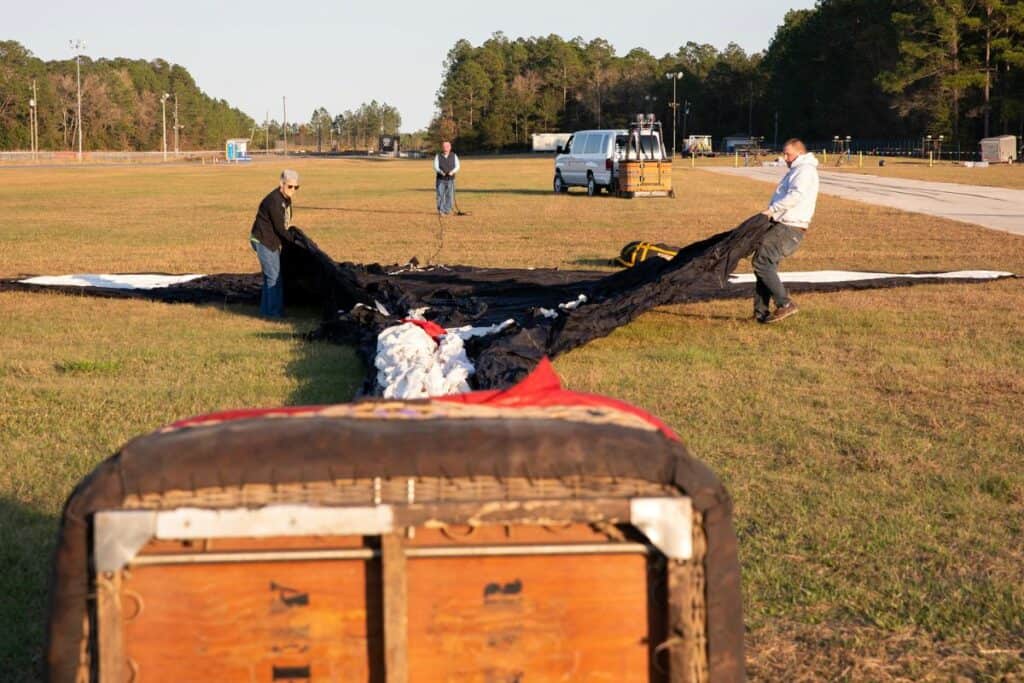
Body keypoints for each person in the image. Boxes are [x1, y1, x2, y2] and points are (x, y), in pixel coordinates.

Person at [754, 138, 820, 324]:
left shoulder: (804, 171)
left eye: (787, 154)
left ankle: (785, 304)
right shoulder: (797, 170)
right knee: (765, 265)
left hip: (789, 226)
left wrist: (772, 210)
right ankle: (761, 313)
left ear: (798, 153)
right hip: (783, 224)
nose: (784, 157)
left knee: (762, 262)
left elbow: (796, 196)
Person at [249, 169, 300, 318]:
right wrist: (294, 241)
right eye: (290, 186)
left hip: (271, 240)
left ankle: (266, 311)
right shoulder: (274, 201)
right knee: (274, 277)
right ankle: (274, 314)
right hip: (264, 240)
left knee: (270, 277)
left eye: (296, 187)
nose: (293, 190)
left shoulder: (285, 199)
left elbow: (284, 224)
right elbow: (279, 228)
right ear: (281, 184)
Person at [433, 141, 460, 215]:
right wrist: (441, 172)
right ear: (442, 148)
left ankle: (447, 210)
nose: (446, 148)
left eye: (447, 146)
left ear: (450, 147)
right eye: (444, 146)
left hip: (451, 179)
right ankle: (441, 211)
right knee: (440, 195)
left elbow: (458, 166)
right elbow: (435, 166)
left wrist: (452, 172)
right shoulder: (438, 156)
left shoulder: (454, 155)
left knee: (450, 196)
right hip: (440, 179)